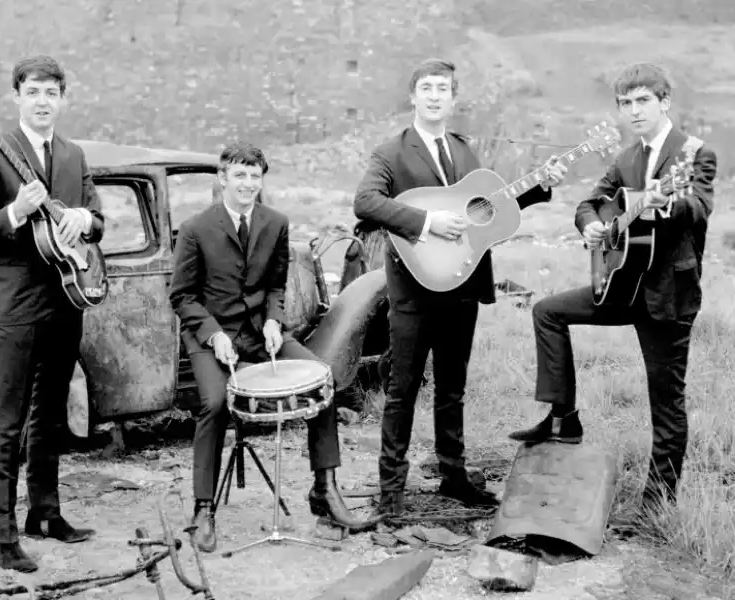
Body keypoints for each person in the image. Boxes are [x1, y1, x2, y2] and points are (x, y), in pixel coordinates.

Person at [353, 58, 568, 516]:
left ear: (453, 99)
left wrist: (539, 186)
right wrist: (427, 221)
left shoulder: (465, 152)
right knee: (403, 390)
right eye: (427, 88)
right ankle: (391, 492)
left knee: (453, 389)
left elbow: (487, 208)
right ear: (413, 96)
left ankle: (453, 477)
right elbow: (366, 202)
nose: (435, 96)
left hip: (463, 285)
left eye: (443, 89)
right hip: (413, 289)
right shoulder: (391, 152)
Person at [508, 63, 717, 509]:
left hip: (667, 296)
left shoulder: (694, 153)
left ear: (664, 102)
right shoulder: (626, 159)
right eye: (626, 103)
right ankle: (563, 418)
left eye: (643, 100)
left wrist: (663, 203)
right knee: (547, 311)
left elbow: (699, 208)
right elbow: (589, 203)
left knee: (665, 404)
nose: (634, 110)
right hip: (621, 286)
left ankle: (656, 505)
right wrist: (590, 225)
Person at [168, 142, 369, 553]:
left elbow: (275, 285)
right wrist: (215, 336)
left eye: (254, 176)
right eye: (239, 175)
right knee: (214, 404)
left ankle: (325, 490)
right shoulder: (194, 229)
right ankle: (203, 508)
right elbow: (182, 297)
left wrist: (275, 320)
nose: (247, 184)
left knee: (322, 380)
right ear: (222, 178)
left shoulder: (276, 222)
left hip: (261, 332)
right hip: (211, 334)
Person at [0, 55, 104, 572]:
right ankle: (3, 536)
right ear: (17, 96)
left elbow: (98, 220)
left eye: (51, 93)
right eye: (34, 92)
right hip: (17, 305)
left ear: (63, 99)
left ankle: (45, 512)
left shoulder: (73, 154)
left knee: (52, 412)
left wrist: (82, 218)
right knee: (9, 417)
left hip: (67, 298)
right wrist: (16, 211)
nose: (43, 102)